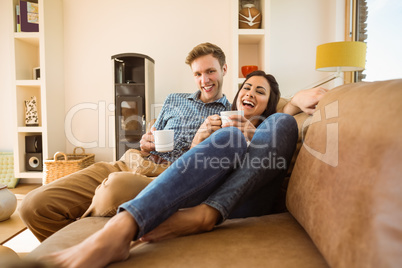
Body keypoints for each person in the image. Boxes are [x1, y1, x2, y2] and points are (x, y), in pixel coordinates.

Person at [19, 42, 327, 242]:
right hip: (130, 162)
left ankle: (113, 237)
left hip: (169, 176)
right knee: (34, 206)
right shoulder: (173, 99)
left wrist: (296, 99)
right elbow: (147, 141)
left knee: (112, 190)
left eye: (210, 72)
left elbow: (275, 117)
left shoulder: (233, 113)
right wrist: (146, 142)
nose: (205, 79)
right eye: (198, 74)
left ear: (224, 71)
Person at [41, 70, 298, 268]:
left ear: (269, 102)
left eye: (260, 91)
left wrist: (259, 132)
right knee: (228, 139)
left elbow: (285, 118)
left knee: (282, 122)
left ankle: (206, 215)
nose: (250, 93)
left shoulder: (272, 123)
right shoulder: (220, 121)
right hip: (200, 191)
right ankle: (122, 227)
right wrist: (200, 141)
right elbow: (190, 169)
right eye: (247, 87)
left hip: (244, 200)